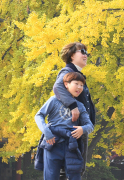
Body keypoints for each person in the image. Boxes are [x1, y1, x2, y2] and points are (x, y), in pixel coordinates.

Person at [35, 72, 95, 180]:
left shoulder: (80, 106)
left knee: (75, 176)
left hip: (71, 145)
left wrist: (82, 129)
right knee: (50, 177)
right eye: (76, 83)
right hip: (52, 143)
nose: (79, 87)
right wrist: (47, 133)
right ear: (66, 84)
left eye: (82, 85)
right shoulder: (53, 100)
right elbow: (39, 116)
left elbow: (90, 125)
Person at [53, 42, 96, 174]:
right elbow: (58, 87)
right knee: (71, 169)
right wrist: (73, 106)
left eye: (86, 52)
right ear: (72, 55)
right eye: (82, 52)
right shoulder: (68, 72)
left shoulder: (75, 74)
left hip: (79, 128)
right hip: (72, 129)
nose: (86, 55)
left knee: (75, 169)